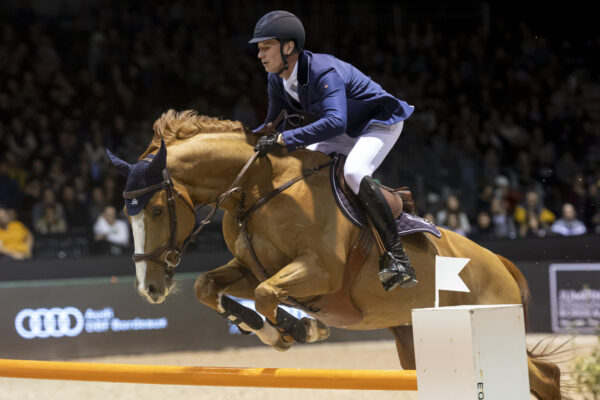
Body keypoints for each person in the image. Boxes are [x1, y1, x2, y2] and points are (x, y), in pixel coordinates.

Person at [249, 11, 416, 291]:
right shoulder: (276, 79)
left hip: (377, 124)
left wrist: (284, 139)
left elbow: (335, 120)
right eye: (259, 49)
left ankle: (398, 258)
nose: (260, 55)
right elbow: (271, 124)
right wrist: (238, 140)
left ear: (288, 47)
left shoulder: (321, 71)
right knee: (303, 168)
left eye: (266, 47)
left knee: (353, 171)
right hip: (343, 130)